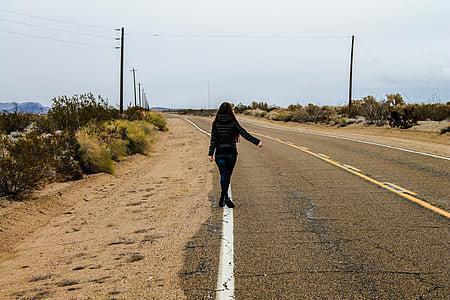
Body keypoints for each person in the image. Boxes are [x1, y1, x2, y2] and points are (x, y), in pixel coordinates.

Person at [208, 102, 262, 208]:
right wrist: (257, 142)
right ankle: (224, 198)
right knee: (227, 176)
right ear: (230, 110)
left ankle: (223, 198)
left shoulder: (216, 123)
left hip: (220, 153)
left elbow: (213, 139)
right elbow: (243, 133)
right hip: (231, 153)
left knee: (223, 175)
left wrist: (211, 153)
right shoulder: (233, 122)